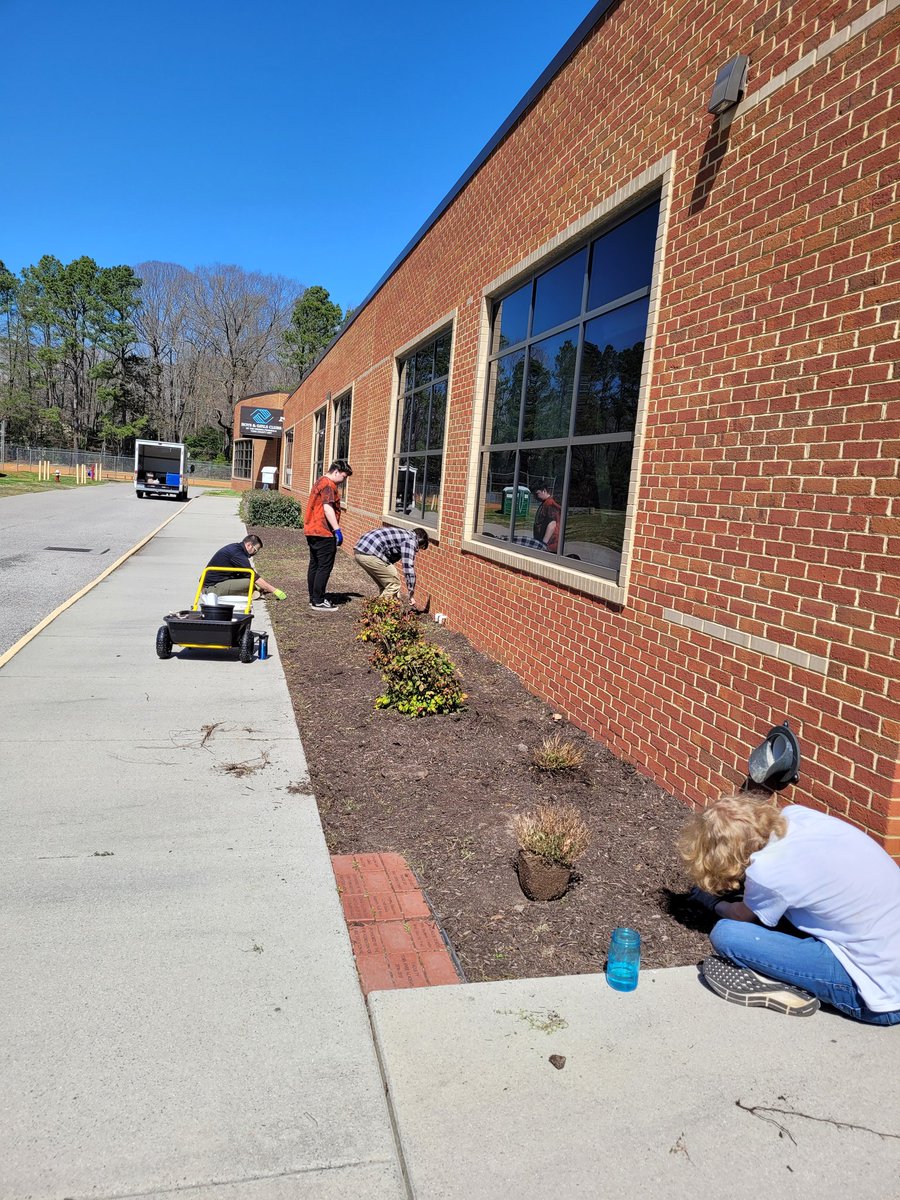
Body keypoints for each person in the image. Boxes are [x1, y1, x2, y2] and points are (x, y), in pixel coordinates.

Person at [678, 791, 900, 1024]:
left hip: (878, 996)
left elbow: (741, 916)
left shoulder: (768, 870)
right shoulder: (799, 816)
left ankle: (774, 983)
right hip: (887, 953)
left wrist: (712, 902)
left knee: (727, 933)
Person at [304, 459, 352, 610]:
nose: (343, 481)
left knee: (315, 564)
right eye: (343, 477)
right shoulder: (329, 485)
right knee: (324, 566)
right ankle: (318, 600)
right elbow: (327, 508)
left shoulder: (319, 481)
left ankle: (313, 597)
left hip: (311, 530)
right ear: (336, 472)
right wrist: (337, 530)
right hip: (323, 532)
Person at [353, 526, 430, 608]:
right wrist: (411, 593)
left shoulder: (404, 534)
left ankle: (386, 613)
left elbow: (389, 558)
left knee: (386, 585)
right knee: (394, 584)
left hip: (360, 551)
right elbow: (408, 568)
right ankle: (376, 613)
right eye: (420, 547)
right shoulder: (411, 541)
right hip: (370, 552)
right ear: (420, 541)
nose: (417, 550)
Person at [204, 534, 286, 601]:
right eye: (255, 550)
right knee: (249, 582)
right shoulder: (237, 554)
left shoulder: (235, 548)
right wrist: (274, 590)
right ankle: (250, 593)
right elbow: (253, 576)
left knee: (250, 582)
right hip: (211, 589)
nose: (254, 554)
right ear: (249, 545)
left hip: (216, 583)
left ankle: (252, 592)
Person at [531, 483, 560, 552]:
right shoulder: (545, 503)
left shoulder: (550, 503)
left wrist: (543, 544)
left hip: (549, 545)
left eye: (537, 494)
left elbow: (552, 524)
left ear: (544, 491)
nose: (535, 497)